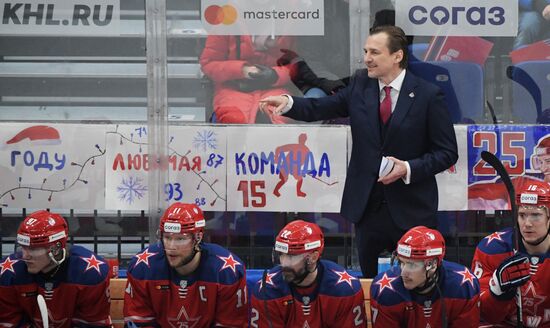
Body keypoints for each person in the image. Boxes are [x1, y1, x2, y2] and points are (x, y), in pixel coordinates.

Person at [259, 25, 458, 278]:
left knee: (417, 286)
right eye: (365, 51)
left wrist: (408, 168)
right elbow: (321, 107)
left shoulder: (429, 95)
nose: (367, 58)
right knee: (368, 286)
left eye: (375, 52)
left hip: (412, 209)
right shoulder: (360, 84)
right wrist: (288, 103)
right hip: (367, 208)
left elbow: (447, 152)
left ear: (397, 56)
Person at [123, 202, 247, 327]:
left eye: (180, 239)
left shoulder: (227, 271)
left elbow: (231, 324)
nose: (171, 247)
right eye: (167, 237)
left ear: (198, 237)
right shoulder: (143, 267)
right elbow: (138, 322)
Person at [0, 210, 111, 327]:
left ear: (56, 248)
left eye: (33, 249)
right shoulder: (8, 273)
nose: (24, 256)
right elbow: (10, 322)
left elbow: (92, 324)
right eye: (22, 247)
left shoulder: (90, 274)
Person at [250, 220, 366, 327]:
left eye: (291, 256)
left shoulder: (344, 290)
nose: (284, 263)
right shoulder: (267, 290)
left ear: (313, 257)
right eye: (281, 255)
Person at [471, 179, 550, 326]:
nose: (527, 223)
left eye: (535, 215)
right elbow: (481, 314)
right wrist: (497, 291)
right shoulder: (492, 248)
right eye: (522, 215)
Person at [370, 226, 480, 327]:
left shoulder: (463, 286)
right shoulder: (386, 291)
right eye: (401, 263)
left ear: (432, 265)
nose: (403, 272)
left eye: (411, 265)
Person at [200, 34, 296, 124]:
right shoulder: (227, 23)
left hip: (275, 87)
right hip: (232, 87)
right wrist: (241, 69)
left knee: (280, 116)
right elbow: (209, 63)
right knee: (231, 119)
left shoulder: (289, 22)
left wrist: (275, 75)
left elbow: (301, 65)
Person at [469, 133, 550, 209]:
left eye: (548, 161)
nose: (543, 168)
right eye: (540, 162)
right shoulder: (522, 184)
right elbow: (483, 191)